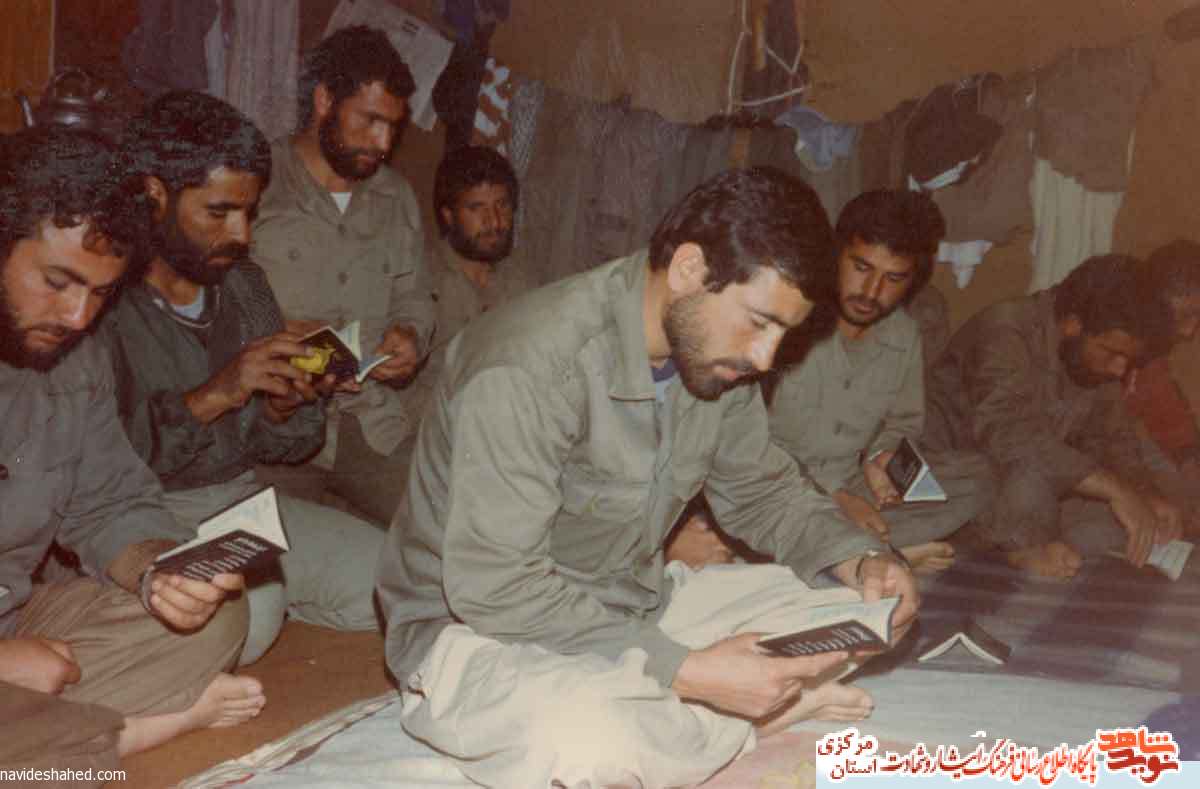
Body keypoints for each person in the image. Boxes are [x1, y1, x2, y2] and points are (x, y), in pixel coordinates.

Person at [377, 167, 919, 788]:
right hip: (483, 635)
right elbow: (497, 589)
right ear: (689, 269)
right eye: (759, 322)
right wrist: (688, 671)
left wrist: (860, 559)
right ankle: (737, 718)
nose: (766, 357)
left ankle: (695, 719)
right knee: (589, 738)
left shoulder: (715, 355)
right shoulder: (528, 364)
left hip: (633, 606)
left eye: (784, 335)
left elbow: (763, 492)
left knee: (867, 610)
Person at [0, 127, 263, 781]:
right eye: (57, 281)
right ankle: (130, 732)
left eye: (100, 293)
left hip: (16, 620)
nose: (78, 316)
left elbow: (109, 503)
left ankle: (45, 736)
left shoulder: (74, 355)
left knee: (218, 614)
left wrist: (159, 573)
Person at [98, 91, 384, 665]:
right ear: (154, 196)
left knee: (394, 577)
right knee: (247, 624)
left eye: (249, 213)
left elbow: (282, 447)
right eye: (219, 212)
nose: (242, 233)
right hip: (150, 514)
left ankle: (267, 599)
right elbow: (99, 469)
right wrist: (216, 394)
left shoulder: (243, 284)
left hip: (246, 502)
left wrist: (287, 406)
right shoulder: (102, 300)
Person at [251, 25, 435, 525]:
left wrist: (411, 336)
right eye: (371, 121)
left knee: (435, 534)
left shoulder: (396, 197)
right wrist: (271, 333)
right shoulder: (260, 182)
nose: (383, 142)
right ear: (324, 101)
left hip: (368, 422)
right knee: (274, 552)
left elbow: (416, 296)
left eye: (393, 127)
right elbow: (206, 305)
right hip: (274, 424)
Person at [765, 190, 994, 574]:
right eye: (861, 267)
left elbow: (902, 423)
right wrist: (836, 497)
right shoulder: (790, 318)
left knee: (977, 478)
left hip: (852, 485)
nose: (871, 292)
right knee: (758, 508)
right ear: (835, 255)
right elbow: (747, 447)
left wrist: (880, 459)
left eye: (893, 278)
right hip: (776, 486)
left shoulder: (904, 335)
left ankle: (855, 547)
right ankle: (872, 551)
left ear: (913, 282)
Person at [924, 254, 1184, 579]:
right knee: (1030, 487)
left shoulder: (1092, 354)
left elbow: (1113, 435)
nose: (1120, 370)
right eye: (1113, 353)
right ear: (1072, 325)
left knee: (1122, 526)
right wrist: (1116, 490)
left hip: (1030, 490)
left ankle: (1034, 545)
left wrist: (1144, 493)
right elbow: (1011, 441)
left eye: (1128, 360)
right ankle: (1016, 552)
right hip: (957, 487)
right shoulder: (1005, 331)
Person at [1124, 239, 1200, 534]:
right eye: (1185, 315)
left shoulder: (1151, 348)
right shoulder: (1113, 335)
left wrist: (1189, 461)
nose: (1189, 331)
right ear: (1154, 301)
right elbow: (1101, 440)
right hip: (1090, 451)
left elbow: (1166, 410)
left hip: (1125, 446)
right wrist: (1149, 493)